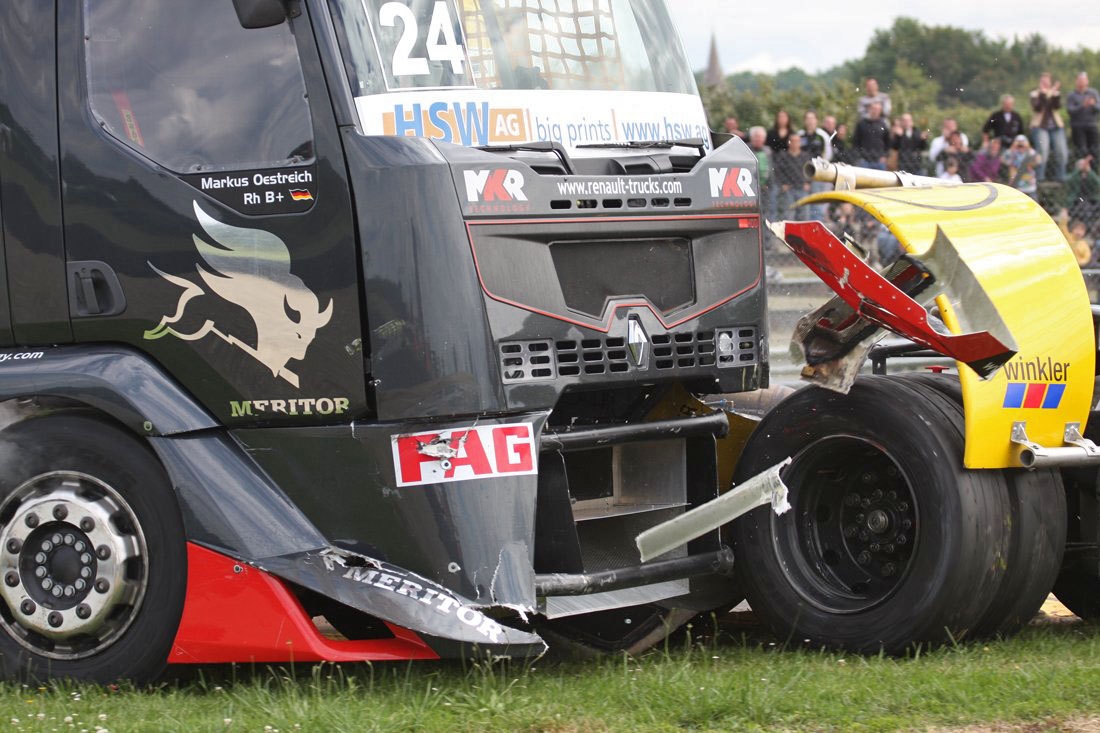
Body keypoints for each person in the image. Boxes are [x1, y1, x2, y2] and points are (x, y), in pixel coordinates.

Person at [1029, 71, 1068, 181]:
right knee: (1042, 151)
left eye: (1047, 81)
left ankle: (1060, 176)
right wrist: (1043, 94)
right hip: (1040, 127)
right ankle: (1039, 177)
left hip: (1056, 127)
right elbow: (1038, 107)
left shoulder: (1055, 93)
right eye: (1043, 81)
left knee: (1061, 151)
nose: (1045, 83)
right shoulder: (1034, 94)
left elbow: (1057, 106)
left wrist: (1053, 94)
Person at [773, 131, 811, 220]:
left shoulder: (805, 156)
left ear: (800, 143)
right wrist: (782, 184)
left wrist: (808, 183)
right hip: (788, 189)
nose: (795, 143)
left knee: (804, 214)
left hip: (802, 188)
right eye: (792, 141)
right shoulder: (783, 155)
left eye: (797, 141)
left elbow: (810, 171)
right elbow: (778, 171)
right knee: (788, 214)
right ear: (789, 142)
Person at [1067, 72, 1100, 170]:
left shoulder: (1093, 93)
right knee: (1082, 151)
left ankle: (1094, 173)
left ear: (1087, 82)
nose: (1082, 83)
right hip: (1077, 126)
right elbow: (1070, 110)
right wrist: (1082, 105)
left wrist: (1093, 104)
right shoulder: (1072, 95)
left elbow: (1099, 107)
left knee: (1095, 150)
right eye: (1080, 80)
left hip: (1091, 125)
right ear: (1076, 82)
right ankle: (1081, 172)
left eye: (1084, 80)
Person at [1002, 134, 1042, 199]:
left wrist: (1028, 147)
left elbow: (1038, 160)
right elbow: (1003, 159)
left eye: (1023, 143)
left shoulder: (1030, 153)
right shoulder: (1012, 153)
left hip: (1030, 187)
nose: (1021, 146)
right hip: (1016, 187)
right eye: (1019, 144)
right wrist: (1013, 147)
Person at [748, 126, 774, 220]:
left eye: (760, 137)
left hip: (766, 187)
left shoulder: (768, 151)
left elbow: (770, 169)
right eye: (756, 136)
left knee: (767, 211)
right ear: (751, 138)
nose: (758, 139)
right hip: (751, 187)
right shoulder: (746, 150)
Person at [853, 101, 890, 169]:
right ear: (869, 109)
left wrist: (885, 156)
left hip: (879, 160)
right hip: (864, 160)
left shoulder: (884, 125)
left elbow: (888, 142)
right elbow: (856, 141)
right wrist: (858, 155)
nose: (875, 111)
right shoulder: (861, 124)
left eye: (877, 109)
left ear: (880, 111)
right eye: (873, 109)